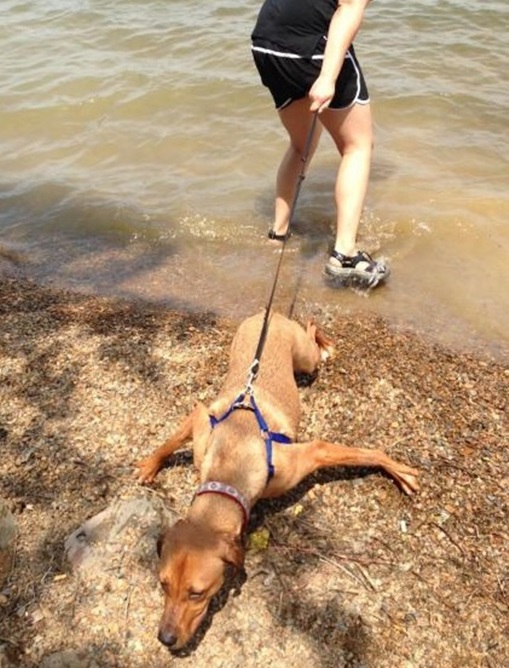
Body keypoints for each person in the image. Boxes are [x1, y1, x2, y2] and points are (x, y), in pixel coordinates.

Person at [251, 0, 388, 288]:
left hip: (267, 41)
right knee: (358, 146)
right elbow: (349, 6)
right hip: (310, 46)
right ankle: (345, 253)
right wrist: (327, 77)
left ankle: (279, 234)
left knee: (302, 144)